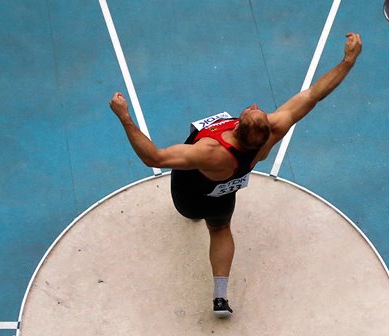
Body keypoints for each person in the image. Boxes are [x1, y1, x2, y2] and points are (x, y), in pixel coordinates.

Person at [109, 33, 362, 318]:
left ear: (238, 124)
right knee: (220, 229)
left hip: (190, 194)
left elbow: (154, 157)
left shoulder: (211, 151)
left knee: (194, 217)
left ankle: (194, 221)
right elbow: (313, 95)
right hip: (225, 194)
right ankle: (220, 297)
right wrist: (347, 61)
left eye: (255, 111)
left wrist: (124, 117)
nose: (256, 106)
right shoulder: (270, 135)